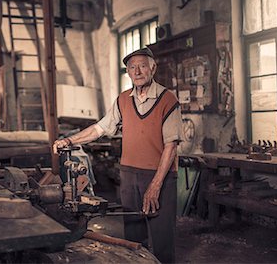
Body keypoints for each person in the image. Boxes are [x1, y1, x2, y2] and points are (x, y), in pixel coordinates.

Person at [53, 47, 182, 263]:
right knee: (133, 236)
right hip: (130, 175)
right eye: (132, 67)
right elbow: (100, 128)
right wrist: (69, 140)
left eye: (142, 66)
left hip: (160, 177)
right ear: (128, 72)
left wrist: (155, 185)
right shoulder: (123, 100)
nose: (137, 71)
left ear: (153, 68)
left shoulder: (168, 100)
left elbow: (171, 145)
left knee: (162, 240)